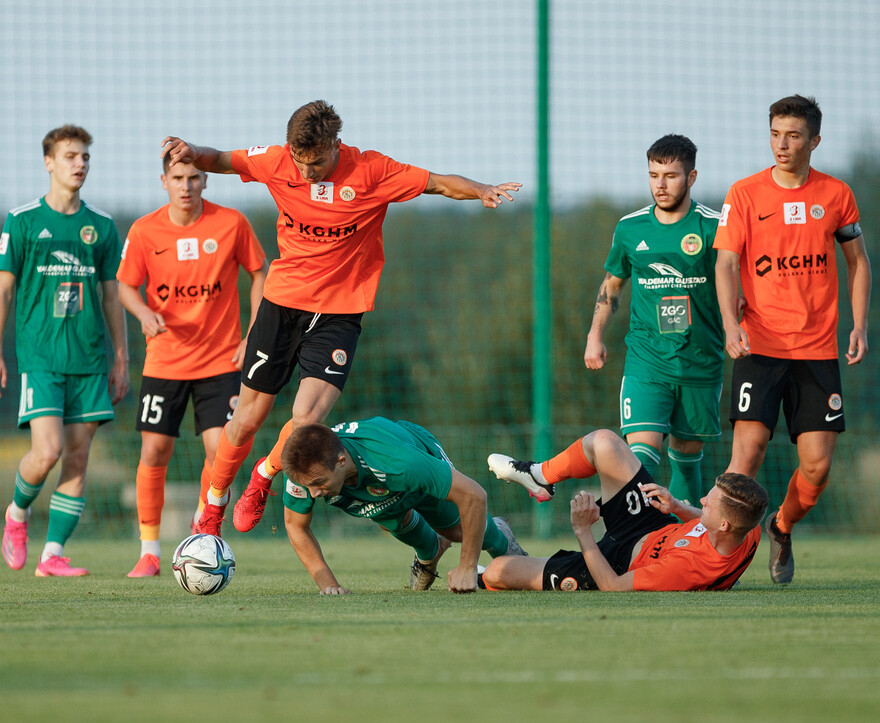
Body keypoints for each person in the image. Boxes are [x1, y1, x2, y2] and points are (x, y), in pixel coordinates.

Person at [160, 100, 522, 537]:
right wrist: (189, 149)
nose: (306, 172)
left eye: (315, 162)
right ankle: (213, 508)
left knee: (307, 419)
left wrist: (481, 189)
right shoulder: (276, 161)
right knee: (246, 418)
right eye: (300, 162)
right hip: (282, 305)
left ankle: (264, 474)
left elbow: (440, 184)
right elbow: (219, 159)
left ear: (335, 145)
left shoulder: (371, 170)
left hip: (339, 314)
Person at [714, 95, 871, 584]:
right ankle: (721, 558)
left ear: (814, 141)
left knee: (817, 468)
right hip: (758, 345)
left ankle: (780, 527)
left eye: (794, 135)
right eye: (776, 134)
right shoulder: (744, 194)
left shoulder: (836, 194)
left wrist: (859, 324)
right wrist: (729, 321)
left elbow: (859, 262)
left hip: (817, 349)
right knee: (748, 453)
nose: (782, 144)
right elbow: (725, 263)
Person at [0, 124, 129, 577]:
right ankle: (16, 514)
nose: (80, 164)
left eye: (85, 156)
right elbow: (3, 290)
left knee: (79, 456)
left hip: (88, 360)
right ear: (48, 162)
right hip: (41, 358)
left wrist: (121, 358)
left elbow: (111, 295)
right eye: (70, 156)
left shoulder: (102, 226)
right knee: (46, 451)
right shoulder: (23, 220)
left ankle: (53, 555)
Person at [117, 156, 268, 577]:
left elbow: (260, 273)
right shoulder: (145, 230)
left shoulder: (231, 224)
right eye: (178, 178)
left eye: (194, 177)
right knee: (154, 450)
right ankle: (149, 552)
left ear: (205, 181)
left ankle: (203, 524)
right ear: (163, 180)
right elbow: (125, 285)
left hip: (221, 361)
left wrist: (251, 335)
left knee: (223, 450)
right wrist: (144, 314)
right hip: (164, 361)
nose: (186, 186)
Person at [584, 134, 723, 505]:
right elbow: (612, 285)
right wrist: (594, 334)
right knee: (637, 459)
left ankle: (681, 549)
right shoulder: (630, 228)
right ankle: (627, 544)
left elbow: (739, 285)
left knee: (687, 462)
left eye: (671, 176)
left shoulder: (714, 227)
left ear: (692, 177)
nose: (660, 185)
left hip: (700, 361)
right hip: (647, 359)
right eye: (653, 175)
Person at [484, 430, 767, 591]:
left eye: (710, 502)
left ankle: (507, 555)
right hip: (651, 524)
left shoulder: (687, 569)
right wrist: (678, 507)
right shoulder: (748, 526)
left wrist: (583, 531)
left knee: (497, 572)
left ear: (726, 526)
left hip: (617, 564)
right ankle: (540, 476)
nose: (702, 500)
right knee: (605, 442)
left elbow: (613, 586)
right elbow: (713, 522)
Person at [279, 418, 528, 594]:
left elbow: (474, 496)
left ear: (341, 461)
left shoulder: (399, 461)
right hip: (380, 488)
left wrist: (467, 567)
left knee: (457, 531)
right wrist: (328, 584)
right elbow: (295, 525)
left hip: (416, 452)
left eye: (319, 483)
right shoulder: (304, 472)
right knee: (392, 521)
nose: (313, 493)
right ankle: (430, 552)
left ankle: (501, 539)